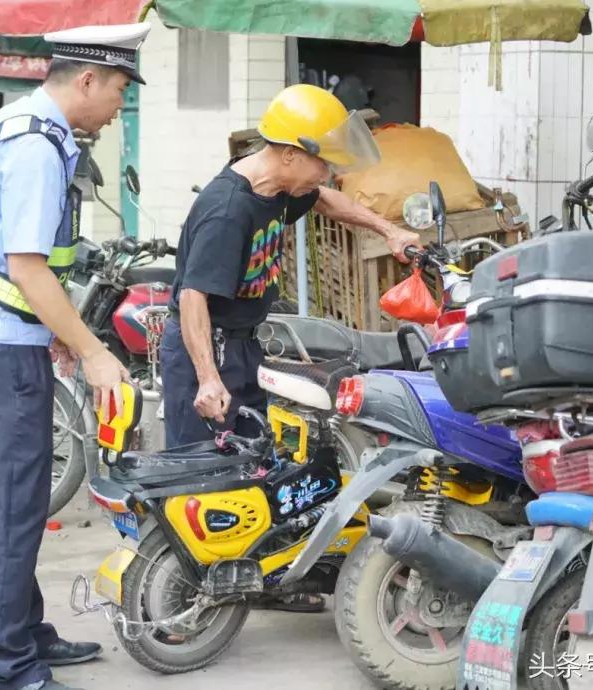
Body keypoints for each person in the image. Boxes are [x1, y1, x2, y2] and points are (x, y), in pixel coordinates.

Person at [0, 23, 150, 690]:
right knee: (8, 510)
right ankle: (6, 670)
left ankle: (23, 635)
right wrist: (91, 352)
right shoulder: (35, 148)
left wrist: (55, 329)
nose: (119, 105)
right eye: (118, 89)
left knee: (13, 505)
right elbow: (28, 267)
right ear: (86, 79)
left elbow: (18, 268)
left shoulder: (22, 127)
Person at [159, 84, 421, 612]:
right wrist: (208, 379)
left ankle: (261, 582)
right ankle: (185, 592)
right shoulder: (227, 210)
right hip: (203, 347)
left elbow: (324, 198)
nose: (327, 172)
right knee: (200, 475)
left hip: (241, 345)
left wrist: (388, 229)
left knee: (257, 468)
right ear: (287, 154)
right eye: (320, 161)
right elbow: (192, 299)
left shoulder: (281, 187)